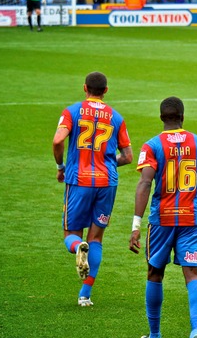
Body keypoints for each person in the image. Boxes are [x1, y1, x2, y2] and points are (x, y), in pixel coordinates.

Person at [129, 97, 197, 338]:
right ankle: (196, 331)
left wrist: (136, 225)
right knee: (193, 274)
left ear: (161, 118)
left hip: (162, 220)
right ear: (183, 117)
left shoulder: (152, 145)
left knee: (155, 273)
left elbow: (145, 183)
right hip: (191, 219)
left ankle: (155, 334)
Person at [52, 72, 133, 307]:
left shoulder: (72, 111)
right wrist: (107, 161)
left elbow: (58, 141)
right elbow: (128, 157)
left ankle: (78, 248)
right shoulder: (116, 117)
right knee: (96, 237)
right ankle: (85, 295)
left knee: (71, 235)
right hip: (107, 183)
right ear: (106, 91)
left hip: (80, 180)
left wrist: (60, 167)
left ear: (84, 87)